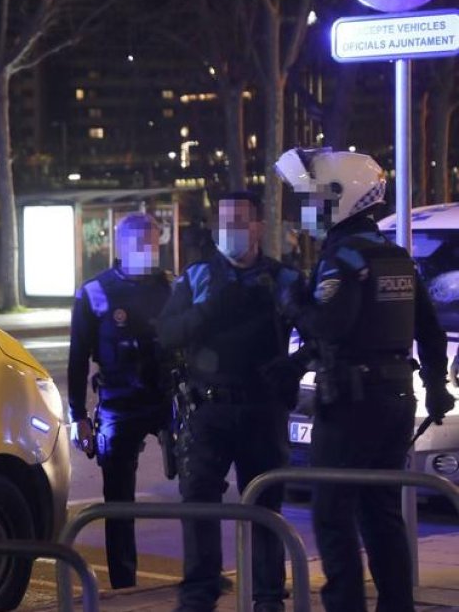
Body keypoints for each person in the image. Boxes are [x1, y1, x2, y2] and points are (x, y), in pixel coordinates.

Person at [275, 148, 455, 612]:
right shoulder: (396, 257)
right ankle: (397, 605)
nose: (306, 211)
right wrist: (435, 388)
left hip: (352, 406)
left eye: (314, 199)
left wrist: (294, 300)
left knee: (333, 514)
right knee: (382, 513)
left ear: (342, 198)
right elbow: (431, 335)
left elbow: (329, 327)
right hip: (394, 401)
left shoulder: (343, 259)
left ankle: (345, 605)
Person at [156, 191, 304, 612]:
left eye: (240, 221)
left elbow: (319, 330)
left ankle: (269, 597)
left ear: (258, 226)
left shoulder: (281, 279)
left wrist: (294, 366)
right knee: (199, 504)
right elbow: (166, 334)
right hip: (209, 409)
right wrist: (208, 312)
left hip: (263, 409)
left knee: (265, 505)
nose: (232, 230)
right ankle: (199, 595)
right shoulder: (199, 277)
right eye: (225, 222)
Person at [66, 212, 173, 590]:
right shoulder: (95, 291)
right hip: (118, 403)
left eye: (152, 243)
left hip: (167, 400)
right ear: (122, 245)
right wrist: (78, 415)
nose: (147, 250)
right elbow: (78, 357)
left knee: (199, 487)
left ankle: (202, 572)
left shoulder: (170, 287)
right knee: (118, 501)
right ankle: (124, 584)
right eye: (139, 243)